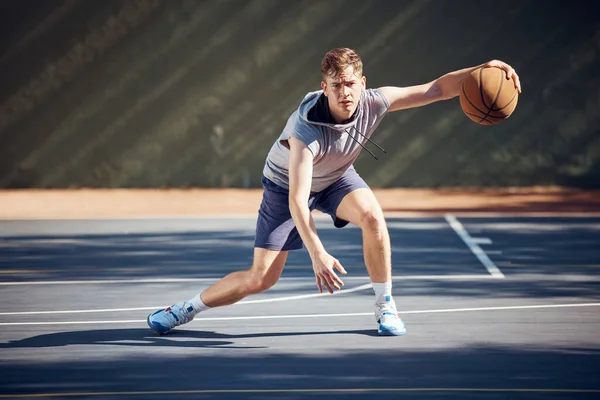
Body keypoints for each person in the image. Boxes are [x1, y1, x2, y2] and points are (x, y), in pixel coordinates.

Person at [147, 48, 522, 336]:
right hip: (286, 188)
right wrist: (317, 252)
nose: (345, 92)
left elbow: (439, 88)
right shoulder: (305, 129)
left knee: (374, 217)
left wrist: (482, 70)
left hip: (338, 177)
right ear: (325, 87)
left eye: (351, 83)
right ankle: (185, 309)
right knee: (260, 278)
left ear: (362, 82)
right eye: (337, 85)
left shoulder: (375, 101)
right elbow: (298, 200)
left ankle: (384, 305)